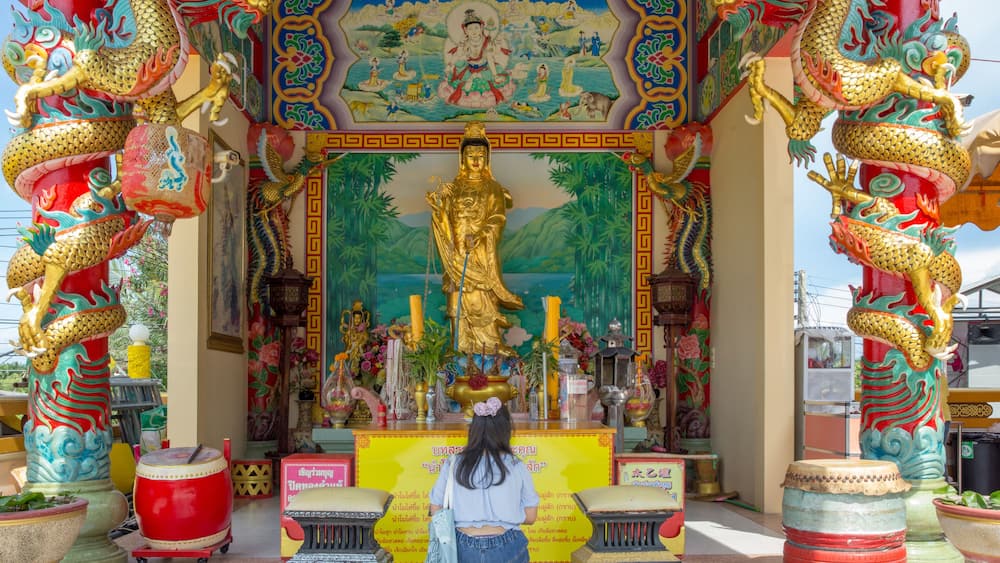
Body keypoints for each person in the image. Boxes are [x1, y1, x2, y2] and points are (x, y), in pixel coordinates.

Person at [427, 122, 524, 356]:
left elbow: (498, 217)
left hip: (481, 252)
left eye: (481, 155)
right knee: (457, 299)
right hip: (457, 252)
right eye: (471, 155)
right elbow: (444, 219)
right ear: (462, 158)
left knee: (484, 295)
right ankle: (458, 346)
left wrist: (481, 235)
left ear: (487, 158)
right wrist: (438, 202)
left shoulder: (492, 188)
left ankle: (491, 345)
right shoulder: (454, 187)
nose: (476, 160)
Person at [429, 398, 539, 562]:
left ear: (473, 429)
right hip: (507, 546)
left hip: (461, 548)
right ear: (506, 430)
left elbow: (435, 509)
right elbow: (531, 516)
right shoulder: (517, 465)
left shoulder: (453, 463)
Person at [438, 8, 516, 108]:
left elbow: (490, 60)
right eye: (470, 29)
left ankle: (474, 78)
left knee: (496, 79)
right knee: (456, 76)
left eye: (476, 28)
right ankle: (471, 79)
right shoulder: (465, 43)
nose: (473, 31)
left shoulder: (486, 42)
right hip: (469, 69)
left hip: (485, 69)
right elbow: (457, 55)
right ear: (465, 30)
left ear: (481, 28)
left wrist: (495, 74)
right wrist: (450, 65)